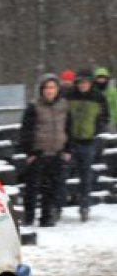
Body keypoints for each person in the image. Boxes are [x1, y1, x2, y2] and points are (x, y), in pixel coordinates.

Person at [19, 74, 72, 227]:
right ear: (42, 90)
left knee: (51, 188)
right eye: (47, 88)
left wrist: (68, 149)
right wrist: (29, 152)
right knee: (32, 188)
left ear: (57, 89)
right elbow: (26, 131)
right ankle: (29, 217)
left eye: (53, 87)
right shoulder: (34, 106)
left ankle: (46, 217)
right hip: (38, 153)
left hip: (57, 153)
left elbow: (68, 128)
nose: (50, 91)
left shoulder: (64, 106)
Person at [67, 69, 109, 222]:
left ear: (90, 83)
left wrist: (97, 130)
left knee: (86, 176)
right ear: (76, 83)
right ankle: (56, 206)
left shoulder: (98, 97)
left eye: (86, 82)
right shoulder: (69, 96)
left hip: (89, 142)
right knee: (62, 175)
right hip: (70, 142)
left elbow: (105, 117)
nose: (83, 85)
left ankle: (84, 206)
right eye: (80, 82)